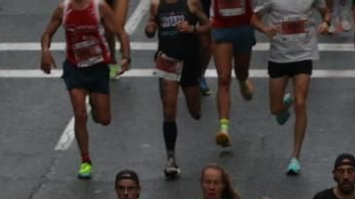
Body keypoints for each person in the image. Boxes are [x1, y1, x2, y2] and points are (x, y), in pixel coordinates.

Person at [40, 0, 130, 180]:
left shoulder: (99, 7)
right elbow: (47, 33)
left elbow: (120, 31)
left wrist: (126, 57)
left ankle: (94, 104)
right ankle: (85, 161)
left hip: (98, 68)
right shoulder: (64, 9)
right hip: (75, 69)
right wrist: (45, 51)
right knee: (80, 114)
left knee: (104, 119)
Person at [253, 0, 329, 174]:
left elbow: (325, 12)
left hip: (304, 54)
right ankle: (284, 105)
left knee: (301, 103)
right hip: (279, 56)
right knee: (275, 109)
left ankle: (295, 157)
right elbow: (253, 18)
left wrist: (326, 23)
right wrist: (265, 29)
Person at [145, 0, 209, 179]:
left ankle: (198, 89)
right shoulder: (156, 4)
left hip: (189, 61)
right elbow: (150, 27)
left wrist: (193, 29)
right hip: (167, 61)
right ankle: (170, 159)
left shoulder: (191, 3)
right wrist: (150, 27)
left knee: (195, 112)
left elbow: (208, 25)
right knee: (168, 109)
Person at [208, 0, 258, 148]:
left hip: (244, 27)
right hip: (221, 28)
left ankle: (243, 81)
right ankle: (223, 129)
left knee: (241, 71)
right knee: (224, 79)